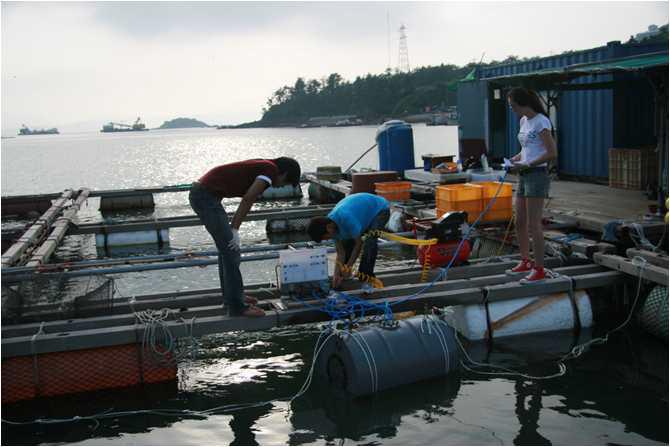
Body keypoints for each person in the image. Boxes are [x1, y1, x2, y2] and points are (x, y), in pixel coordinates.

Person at [189, 157, 301, 317]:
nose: (281, 185)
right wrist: (234, 229)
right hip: (205, 197)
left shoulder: (266, 166)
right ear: (284, 173)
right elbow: (248, 198)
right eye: (285, 182)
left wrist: (234, 229)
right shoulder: (270, 170)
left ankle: (232, 297)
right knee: (231, 251)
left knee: (226, 250)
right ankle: (237, 308)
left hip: (206, 194)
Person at [506, 87, 558, 283]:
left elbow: (551, 153)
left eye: (513, 105)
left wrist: (528, 163)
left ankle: (539, 268)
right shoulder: (523, 121)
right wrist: (515, 159)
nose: (512, 109)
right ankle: (525, 260)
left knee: (534, 224)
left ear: (522, 103)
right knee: (519, 221)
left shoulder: (541, 122)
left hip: (536, 175)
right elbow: (527, 149)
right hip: (524, 174)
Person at [307, 192, 390, 289]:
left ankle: (366, 277)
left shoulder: (346, 218)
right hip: (362, 215)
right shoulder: (331, 227)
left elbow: (359, 244)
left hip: (380, 210)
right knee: (347, 246)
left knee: (370, 241)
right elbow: (340, 252)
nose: (329, 239)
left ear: (328, 228)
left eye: (326, 237)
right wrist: (336, 275)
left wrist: (348, 266)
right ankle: (342, 278)